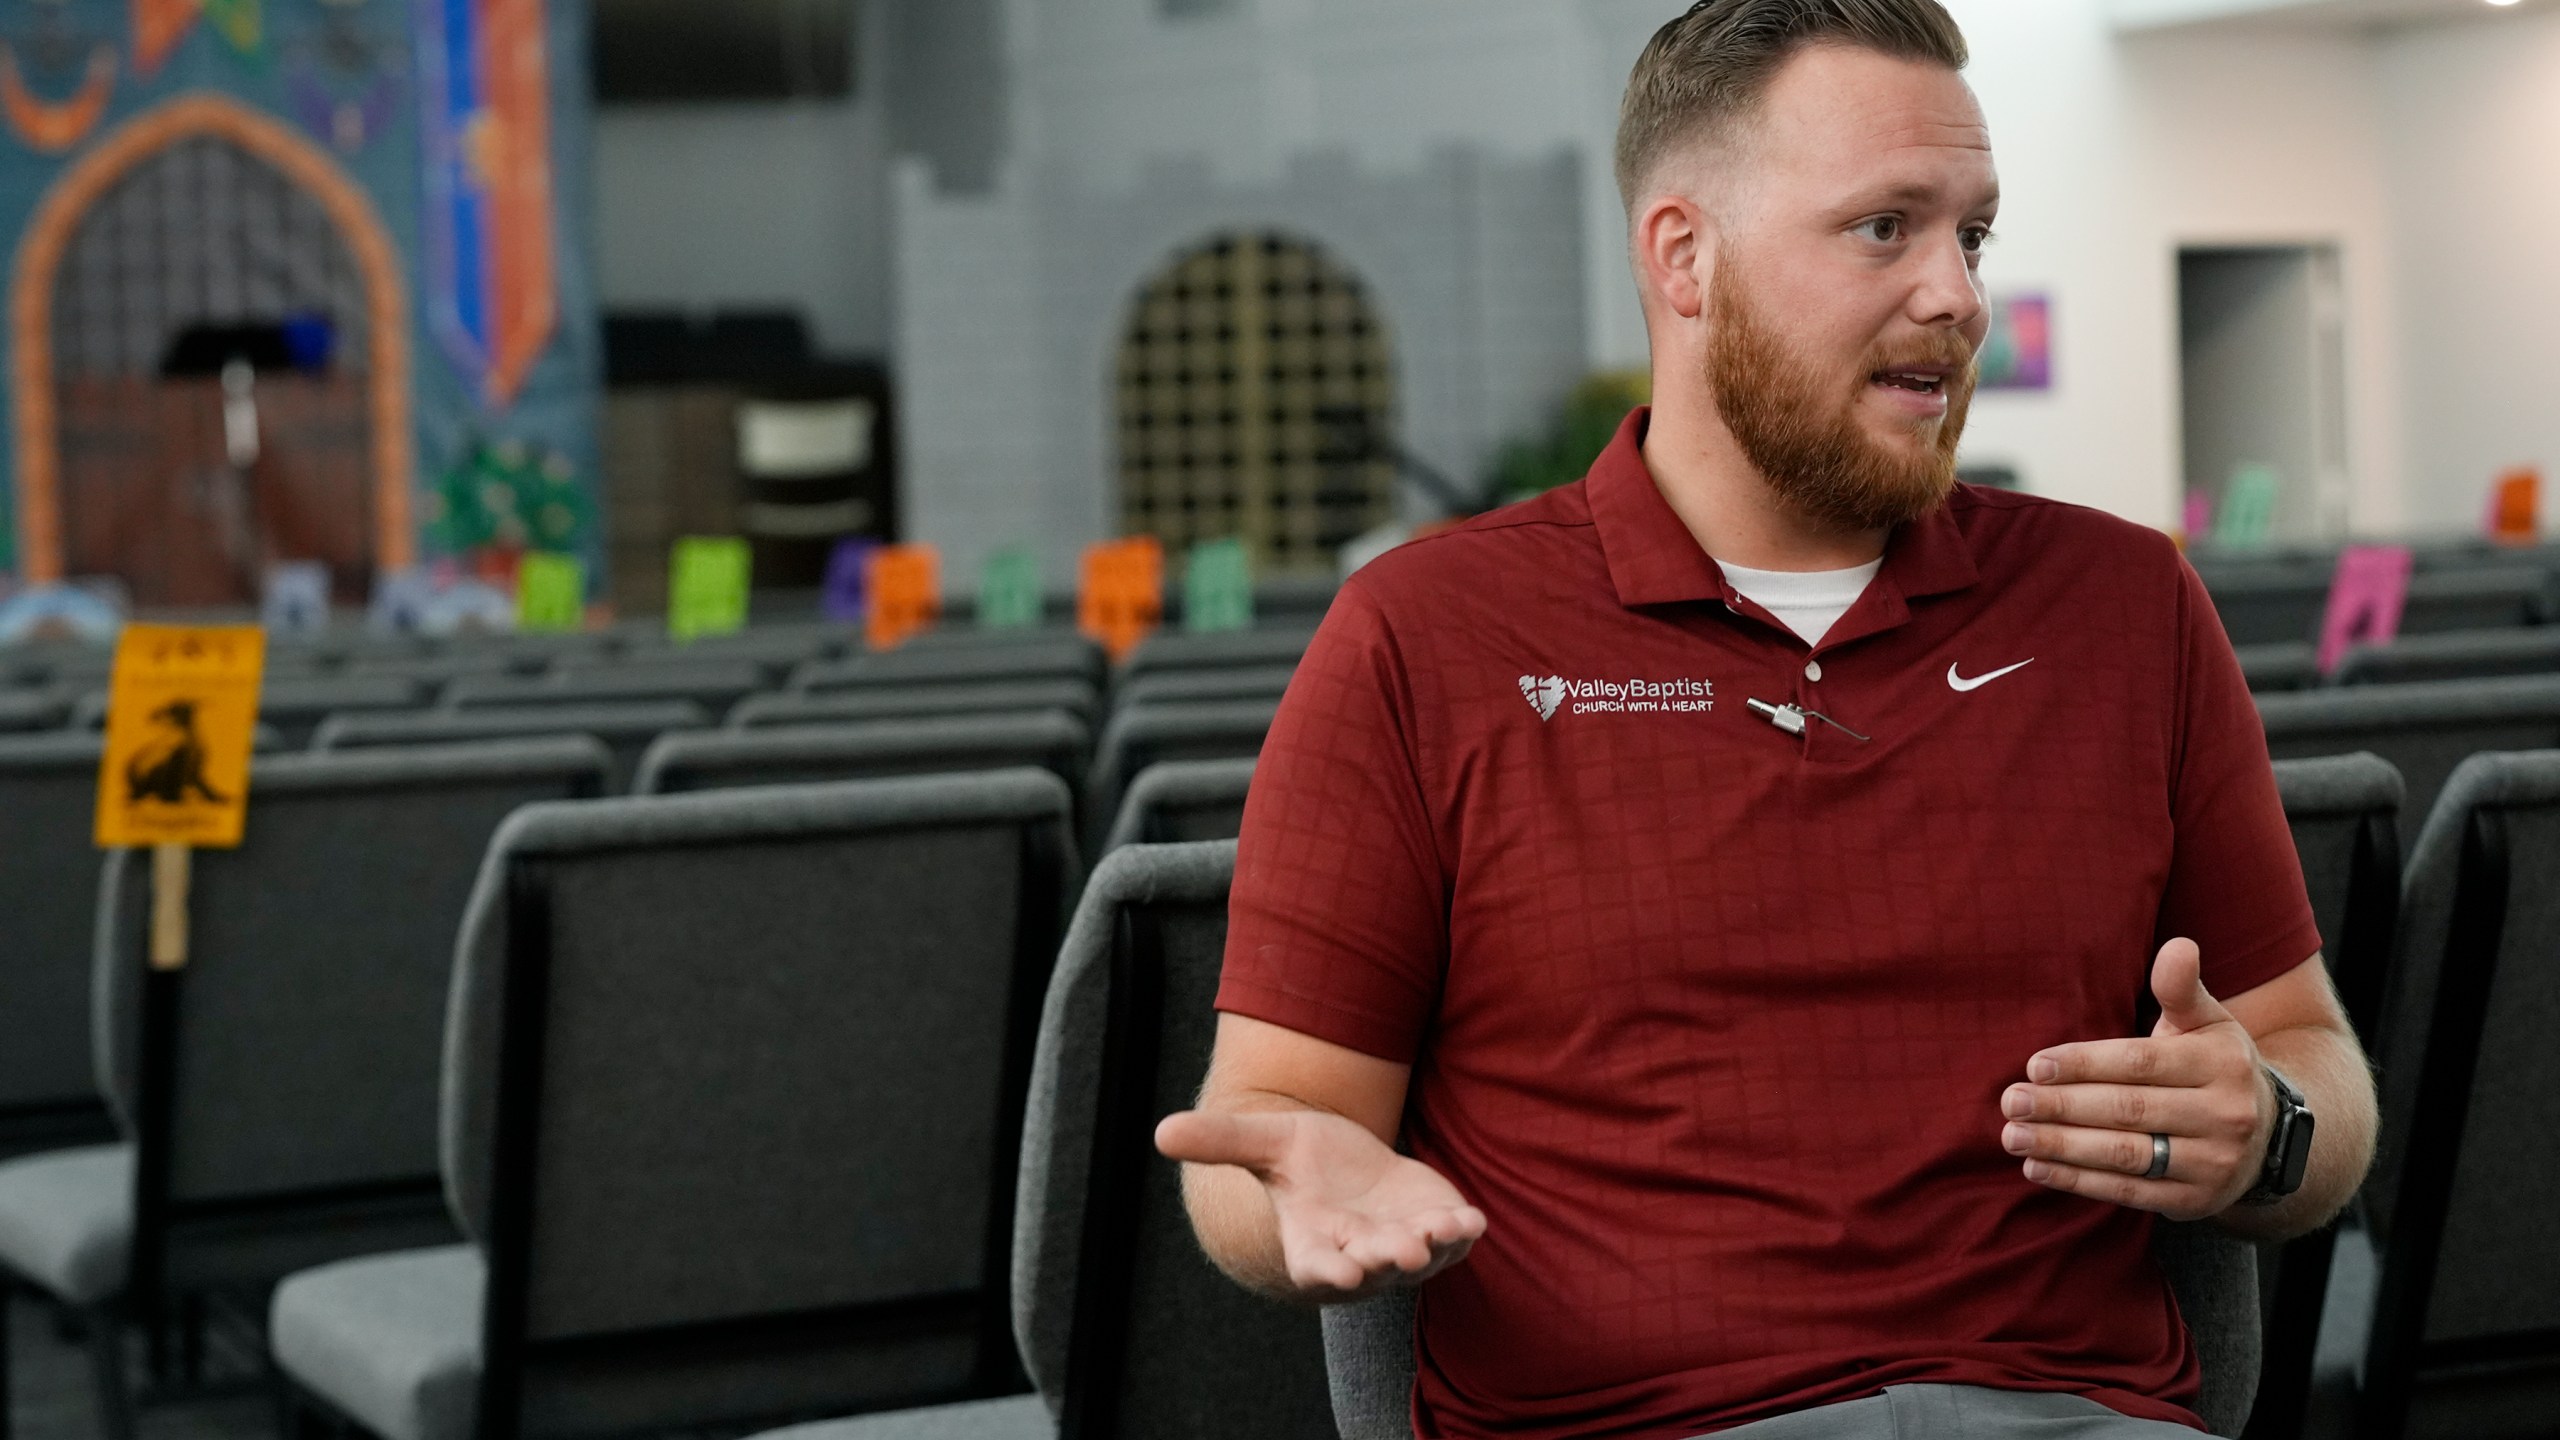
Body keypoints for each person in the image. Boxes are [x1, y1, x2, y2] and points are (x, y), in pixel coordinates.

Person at [1153, 2, 2379, 1436]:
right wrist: (1299, 1188)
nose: (1958, 296)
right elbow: (1264, 1133)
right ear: (1685, 258)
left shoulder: (2126, 606)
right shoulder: (1423, 639)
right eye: (1884, 228)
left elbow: (2318, 1065)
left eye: (1970, 236)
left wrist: (2271, 1131)